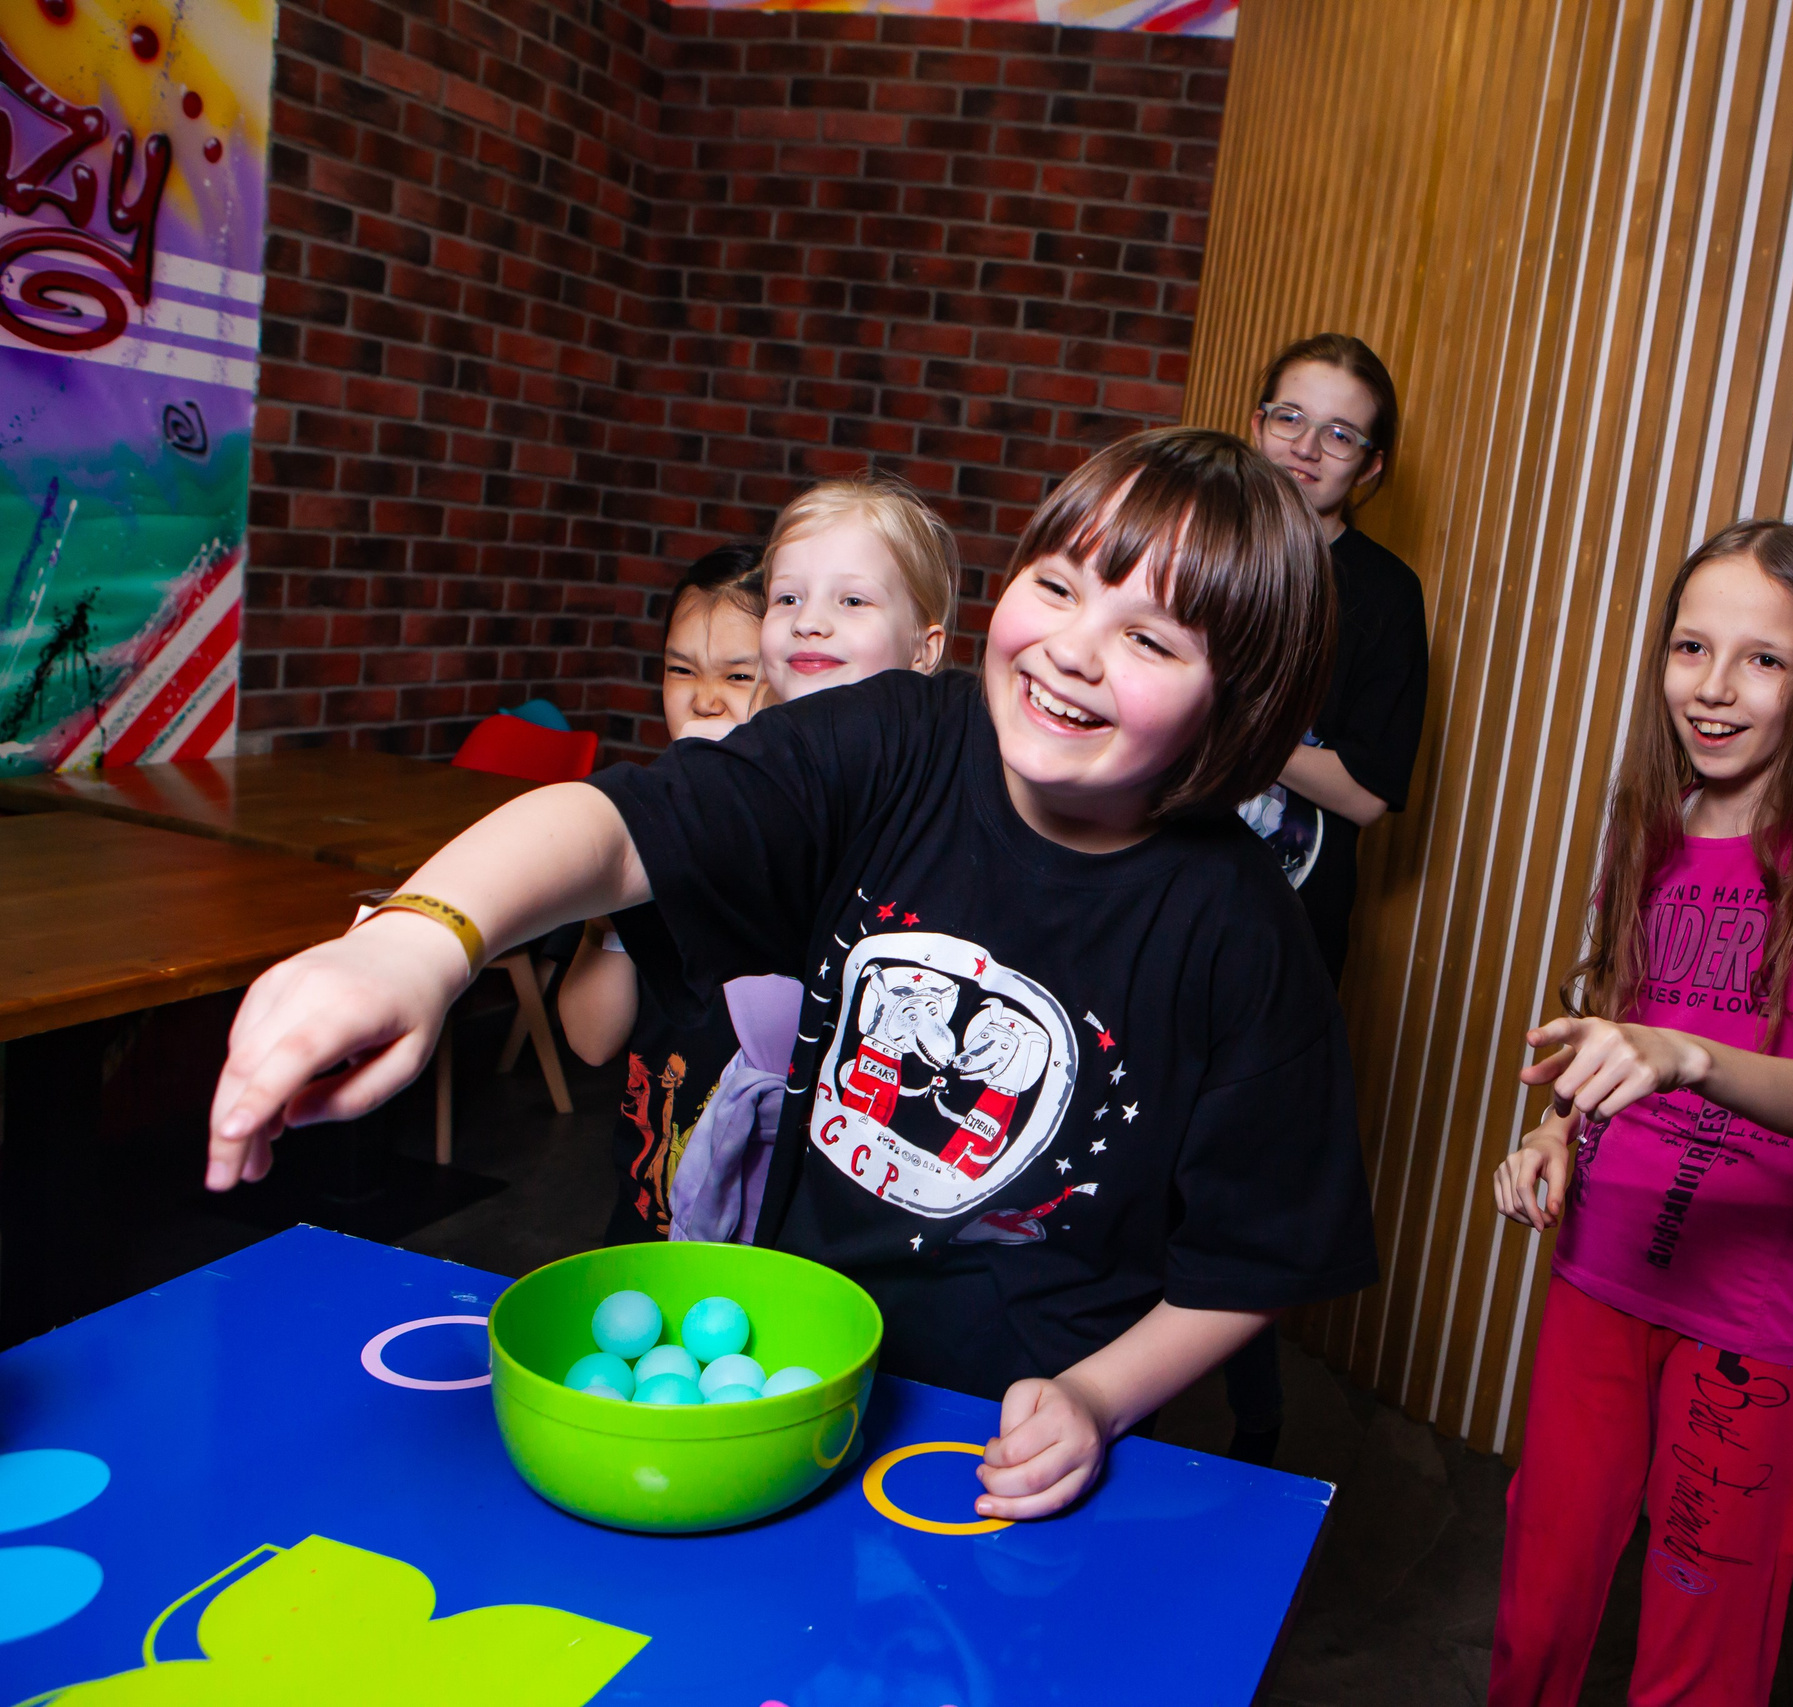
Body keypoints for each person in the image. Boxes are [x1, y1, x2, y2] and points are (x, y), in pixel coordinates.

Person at [205, 428, 1379, 1523]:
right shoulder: (894, 740)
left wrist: (1096, 1399)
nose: (1071, 649)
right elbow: (624, 826)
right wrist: (414, 941)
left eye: (1149, 639)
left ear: (1242, 705)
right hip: (792, 1368)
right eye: (1059, 586)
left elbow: (1257, 1260)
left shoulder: (1243, 935)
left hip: (998, 1436)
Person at [1484, 520, 1793, 1707]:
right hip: (1600, 1272)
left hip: (1748, 1315)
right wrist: (1553, 1136)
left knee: (1702, 1653)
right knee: (1539, 1606)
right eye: (1690, 648)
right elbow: (1615, 1032)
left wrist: (1690, 1055)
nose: (1714, 689)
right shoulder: (1649, 825)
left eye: (1760, 659)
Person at [556, 479, 959, 1242]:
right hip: (656, 1199)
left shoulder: (897, 829)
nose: (705, 699)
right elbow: (590, 1037)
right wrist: (623, 876)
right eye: (681, 671)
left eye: (735, 676)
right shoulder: (681, 825)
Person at [1227, 332, 1432, 1466]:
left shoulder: (1384, 597)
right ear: (1255, 422)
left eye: (1338, 432)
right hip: (1150, 894)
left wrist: (1236, 709)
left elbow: (1363, 796)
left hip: (1285, 929)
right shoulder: (1198, 541)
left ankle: (1252, 1430)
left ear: (1373, 466)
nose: (1306, 448)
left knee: (1236, 1184)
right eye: (1288, 417)